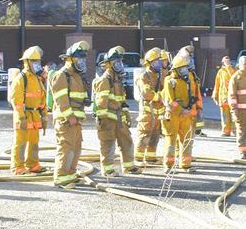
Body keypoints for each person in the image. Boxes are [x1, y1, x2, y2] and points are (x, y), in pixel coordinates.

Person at [94, 46, 140, 177]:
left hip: (119, 117)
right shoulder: (104, 79)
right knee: (108, 143)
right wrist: (103, 119)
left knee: (126, 140)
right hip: (108, 118)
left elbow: (121, 99)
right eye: (116, 62)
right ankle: (108, 170)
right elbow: (101, 102)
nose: (120, 64)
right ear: (109, 64)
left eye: (120, 61)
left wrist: (125, 112)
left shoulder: (118, 79)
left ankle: (129, 166)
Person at [51, 41, 90, 189]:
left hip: (77, 120)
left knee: (76, 147)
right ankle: (61, 177)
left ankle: (70, 174)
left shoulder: (77, 76)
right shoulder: (61, 75)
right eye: (79, 59)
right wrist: (70, 116)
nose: (82, 62)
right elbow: (61, 100)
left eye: (83, 59)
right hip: (66, 120)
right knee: (66, 147)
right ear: (69, 59)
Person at [10, 46, 48, 175]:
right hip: (24, 115)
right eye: (33, 61)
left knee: (34, 142)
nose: (37, 64)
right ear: (26, 62)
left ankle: (33, 165)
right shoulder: (21, 79)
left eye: (38, 61)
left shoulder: (38, 79)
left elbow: (42, 98)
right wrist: (21, 118)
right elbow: (16, 100)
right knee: (20, 142)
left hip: (35, 116)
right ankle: (18, 167)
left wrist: (44, 116)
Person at [161, 55, 199, 173]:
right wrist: (182, 111)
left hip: (186, 116)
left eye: (185, 68)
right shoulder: (169, 81)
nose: (184, 71)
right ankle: (168, 165)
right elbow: (170, 102)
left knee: (186, 140)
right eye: (182, 68)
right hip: (173, 116)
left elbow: (193, 97)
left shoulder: (187, 80)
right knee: (171, 141)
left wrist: (190, 111)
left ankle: (186, 164)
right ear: (176, 69)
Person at [134, 47, 165, 165]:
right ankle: (137, 159)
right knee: (144, 135)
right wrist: (159, 96)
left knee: (155, 136)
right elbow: (147, 94)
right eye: (156, 62)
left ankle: (150, 158)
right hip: (147, 113)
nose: (159, 64)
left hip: (157, 113)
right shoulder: (144, 76)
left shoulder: (160, 75)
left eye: (159, 61)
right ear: (150, 63)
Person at [177, 45, 204, 137]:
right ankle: (191, 131)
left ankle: (198, 130)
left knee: (197, 115)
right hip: (185, 104)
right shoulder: (181, 61)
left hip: (194, 99)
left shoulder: (192, 75)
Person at [212, 55, 236, 136]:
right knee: (224, 116)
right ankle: (226, 131)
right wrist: (215, 95)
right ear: (222, 62)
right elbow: (217, 84)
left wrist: (228, 67)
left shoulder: (234, 70)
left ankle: (234, 131)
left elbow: (233, 77)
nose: (227, 62)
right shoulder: (220, 72)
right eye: (225, 61)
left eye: (228, 61)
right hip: (223, 98)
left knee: (233, 115)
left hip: (232, 97)